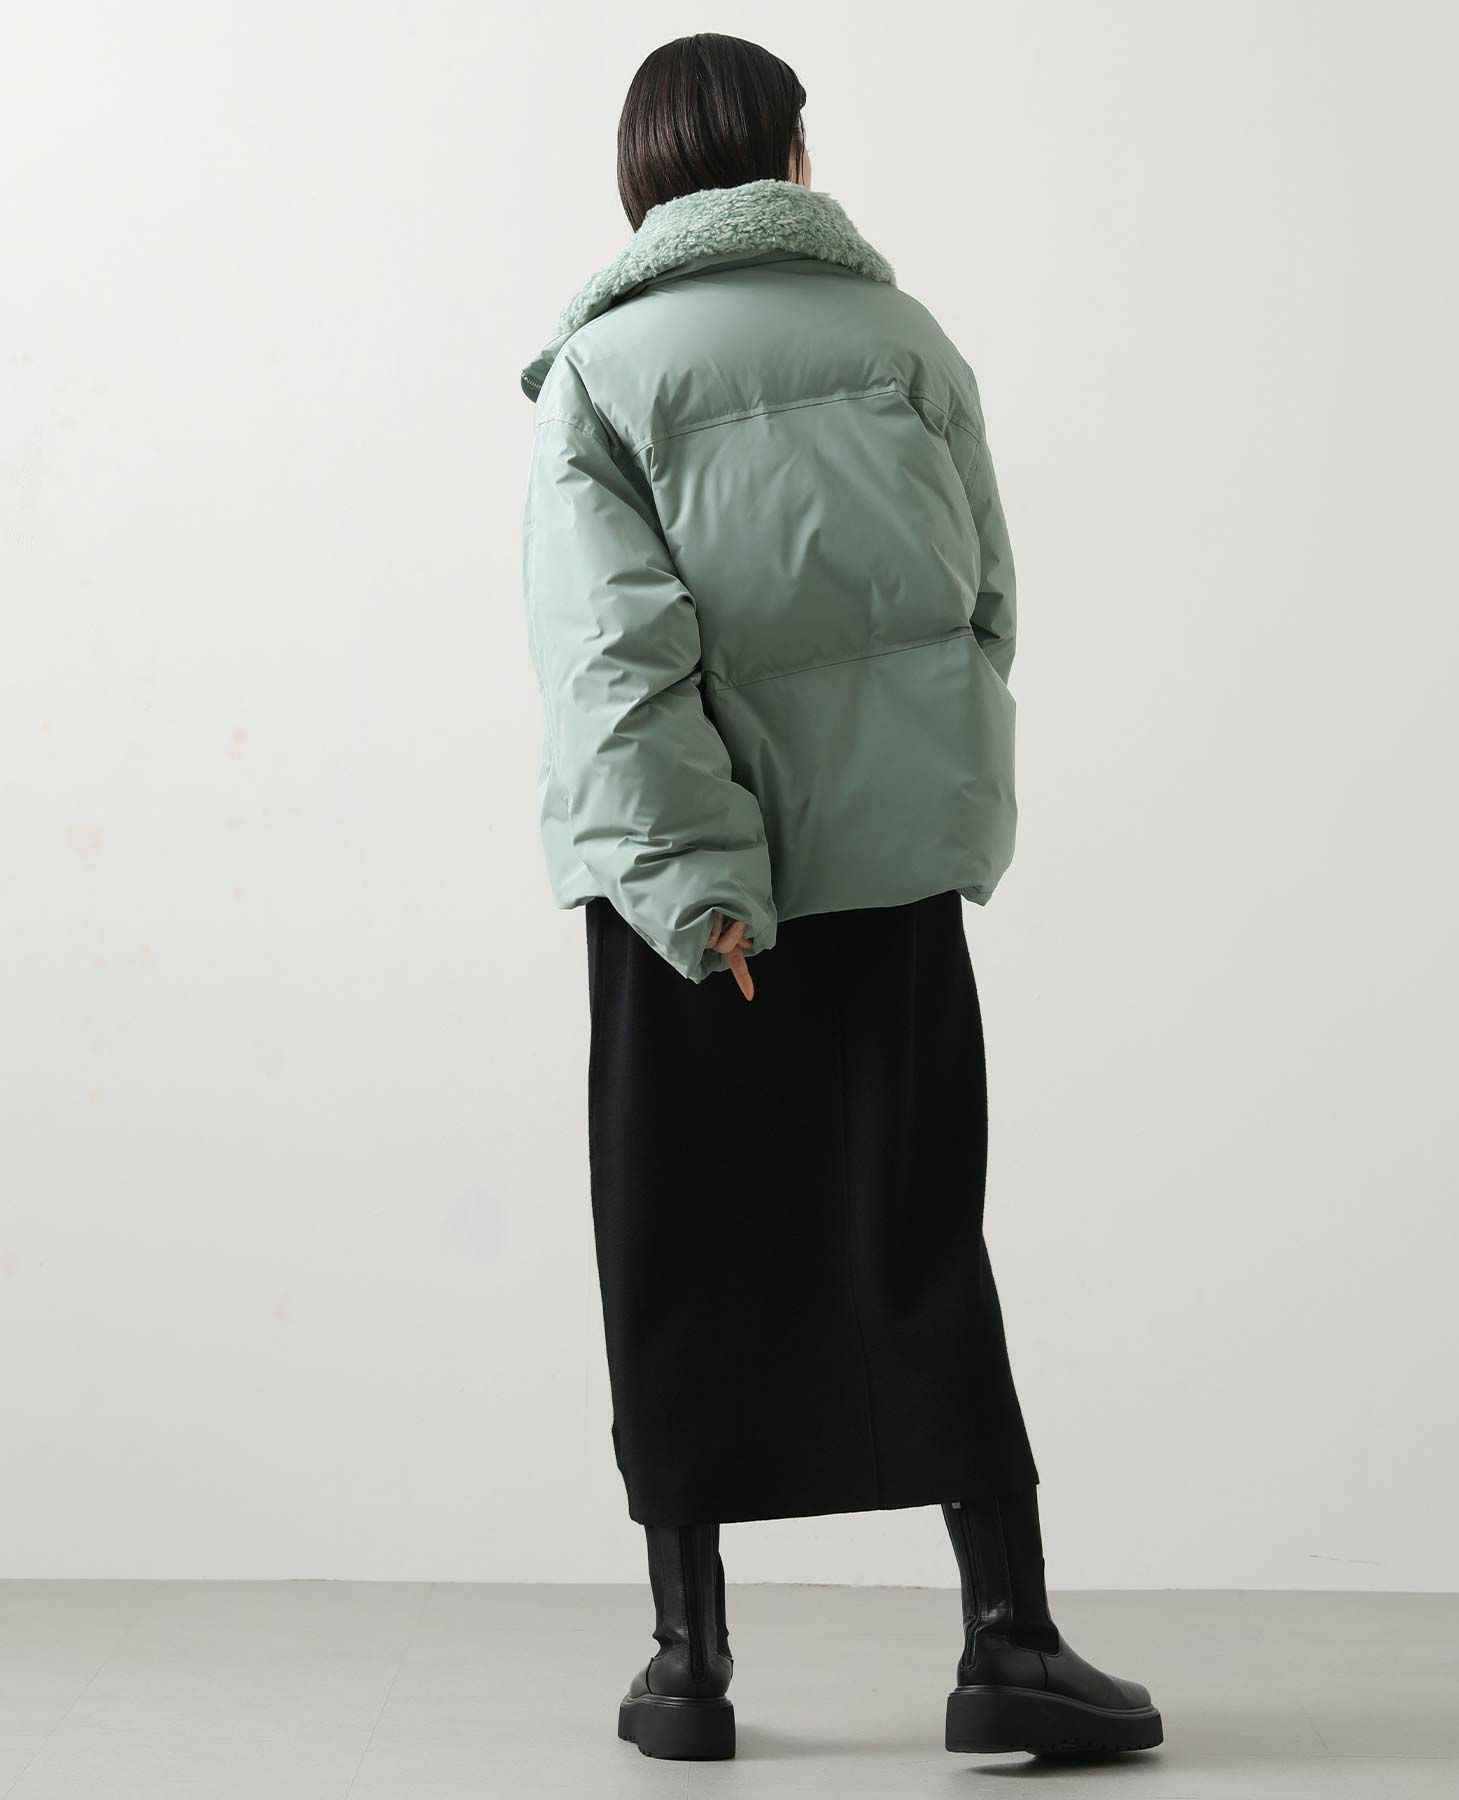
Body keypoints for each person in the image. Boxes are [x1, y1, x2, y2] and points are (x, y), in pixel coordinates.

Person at [520, 31, 1162, 1765]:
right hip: (887, 875)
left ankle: (688, 1667)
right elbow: (984, 600)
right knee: (919, 1234)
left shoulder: (599, 374)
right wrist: (901, 799)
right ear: (793, 156)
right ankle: (1010, 1640)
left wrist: (705, 886)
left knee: (674, 1245)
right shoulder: (904, 341)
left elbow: (612, 664)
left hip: (685, 907)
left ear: (642, 174)